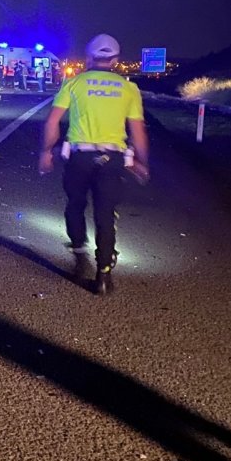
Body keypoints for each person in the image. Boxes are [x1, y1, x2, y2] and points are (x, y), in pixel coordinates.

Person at [38, 34, 150, 296]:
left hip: (80, 157)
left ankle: (79, 255)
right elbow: (138, 130)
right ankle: (103, 276)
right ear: (115, 60)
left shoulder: (74, 83)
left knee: (75, 205)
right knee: (105, 214)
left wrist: (46, 152)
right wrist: (141, 161)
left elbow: (52, 122)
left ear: (89, 58)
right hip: (112, 160)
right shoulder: (128, 88)